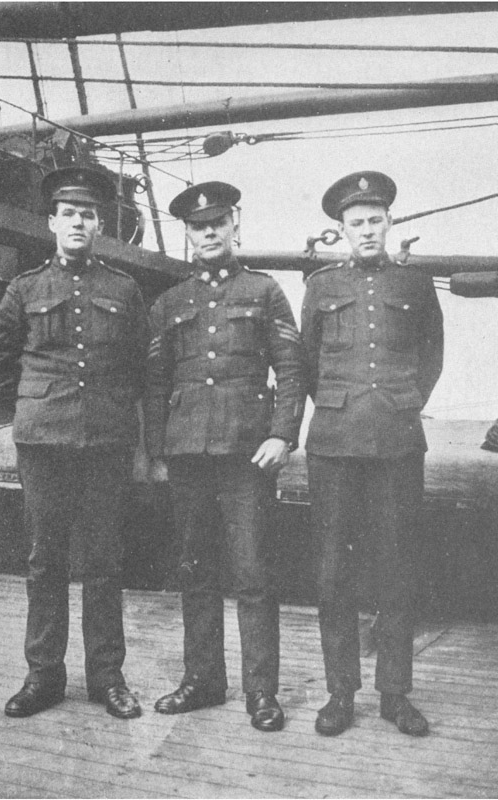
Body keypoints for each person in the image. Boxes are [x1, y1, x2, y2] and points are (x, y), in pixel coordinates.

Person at [144, 181, 305, 731]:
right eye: (198, 226)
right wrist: (157, 451)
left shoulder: (264, 291)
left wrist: (282, 434)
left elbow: (291, 367)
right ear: (188, 234)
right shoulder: (169, 302)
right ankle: (203, 680)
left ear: (234, 225)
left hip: (246, 455)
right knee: (195, 571)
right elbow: (155, 380)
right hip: (188, 453)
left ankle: (261, 692)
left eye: (217, 222)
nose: (209, 232)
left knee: (253, 573)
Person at [0, 166, 150, 719]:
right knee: (45, 561)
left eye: (87, 214)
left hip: (106, 441)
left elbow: (140, 365)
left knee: (104, 562)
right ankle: (44, 676)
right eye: (69, 214)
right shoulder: (25, 288)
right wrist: (16, 415)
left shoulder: (124, 289)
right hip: (43, 441)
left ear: (100, 224)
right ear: (52, 223)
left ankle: (108, 678)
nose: (79, 222)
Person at [301, 171, 443, 737]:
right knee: (333, 571)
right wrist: (342, 405)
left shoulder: (416, 285)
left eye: (375, 221)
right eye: (356, 222)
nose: (366, 230)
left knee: (397, 567)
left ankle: (395, 693)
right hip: (334, 444)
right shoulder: (321, 285)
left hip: (397, 442)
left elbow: (431, 356)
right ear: (342, 229)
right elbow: (308, 361)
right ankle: (341, 693)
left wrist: (403, 401)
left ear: (389, 223)